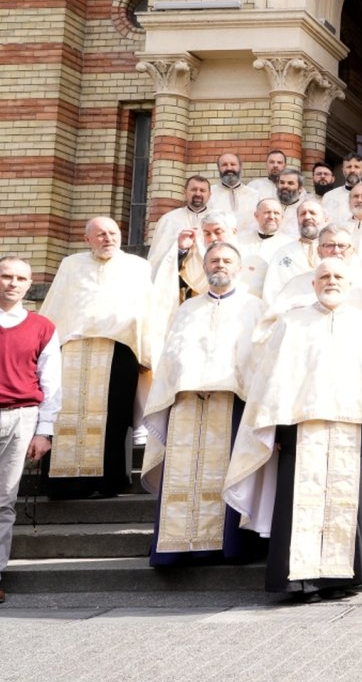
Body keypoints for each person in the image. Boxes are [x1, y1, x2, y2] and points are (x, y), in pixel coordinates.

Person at [224, 258, 362, 602]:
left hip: (352, 427)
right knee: (299, 504)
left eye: (338, 277)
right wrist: (278, 430)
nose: (331, 281)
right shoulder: (291, 323)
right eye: (324, 277)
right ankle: (297, 581)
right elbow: (273, 381)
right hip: (300, 429)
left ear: (350, 284)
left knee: (346, 505)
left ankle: (339, 578)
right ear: (313, 284)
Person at [141, 242, 263, 566]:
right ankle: (177, 548)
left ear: (238, 268)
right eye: (214, 261)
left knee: (227, 475)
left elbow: (259, 359)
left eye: (226, 261)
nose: (220, 265)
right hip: (186, 403)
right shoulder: (187, 309)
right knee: (184, 474)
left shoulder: (255, 307)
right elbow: (171, 356)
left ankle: (227, 547)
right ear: (204, 267)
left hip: (231, 403)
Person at [39, 218, 160, 499]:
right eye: (101, 234)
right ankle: (64, 485)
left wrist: (147, 352)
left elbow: (147, 310)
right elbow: (56, 303)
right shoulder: (71, 264)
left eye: (113, 233)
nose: (108, 239)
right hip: (72, 350)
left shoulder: (137, 266)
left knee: (114, 418)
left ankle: (109, 482)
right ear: (87, 239)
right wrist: (45, 346)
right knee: (65, 416)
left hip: (118, 350)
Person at [0, 256, 58, 603]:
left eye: (20, 278)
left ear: (28, 284)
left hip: (22, 417)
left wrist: (45, 430)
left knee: (4, 500)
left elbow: (52, 383)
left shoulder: (42, 327)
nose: (12, 283)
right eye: (6, 276)